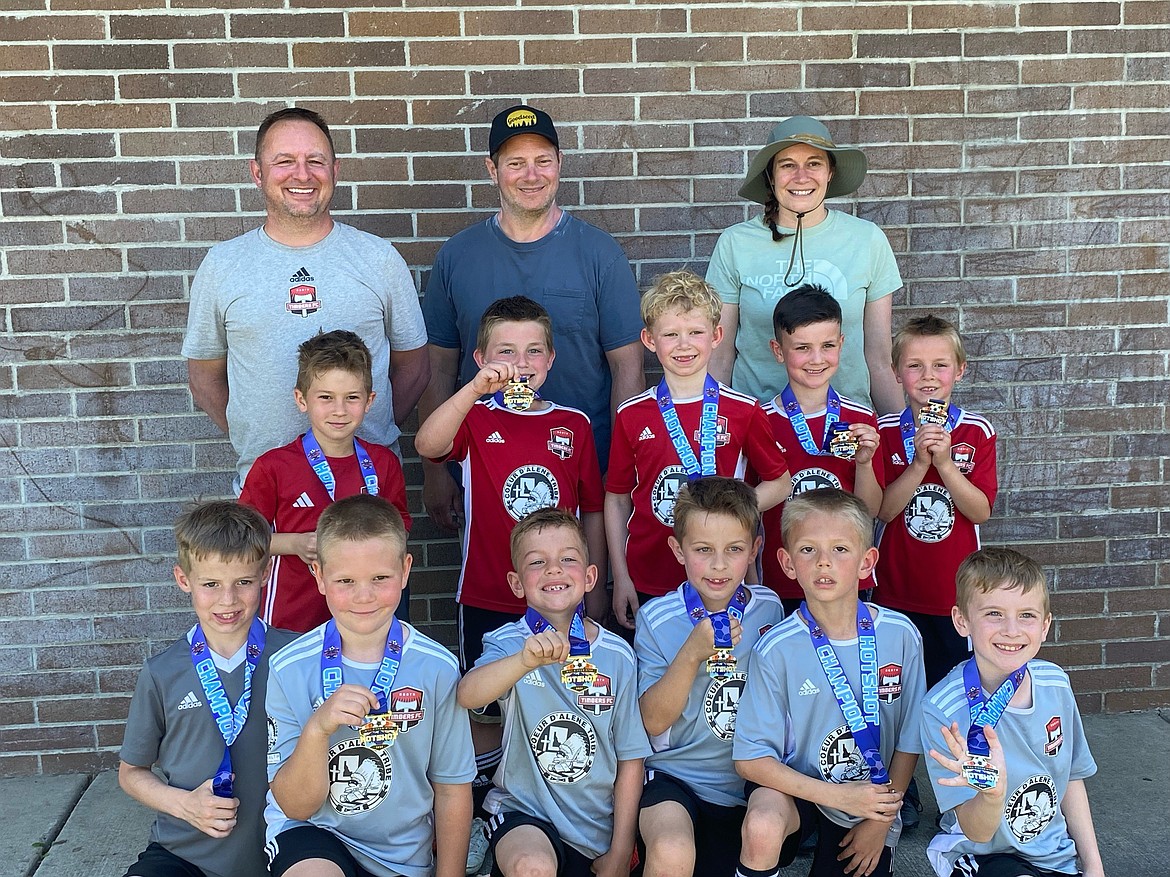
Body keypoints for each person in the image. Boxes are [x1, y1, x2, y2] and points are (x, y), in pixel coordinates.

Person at [414, 296, 606, 825]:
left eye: (533, 352)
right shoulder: (475, 416)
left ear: (550, 360)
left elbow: (591, 510)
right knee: (482, 707)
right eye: (505, 353)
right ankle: (481, 814)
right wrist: (475, 391)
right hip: (486, 592)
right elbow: (428, 444)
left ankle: (546, 800)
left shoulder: (573, 423)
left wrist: (600, 586)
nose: (520, 364)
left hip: (559, 598)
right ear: (480, 359)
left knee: (553, 700)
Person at [420, 103, 644, 531]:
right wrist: (434, 471)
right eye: (516, 163)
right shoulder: (457, 256)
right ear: (492, 169)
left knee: (578, 588)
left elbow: (628, 369)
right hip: (483, 474)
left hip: (581, 471)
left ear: (560, 163)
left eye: (543, 161)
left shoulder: (598, 254)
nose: (532, 175)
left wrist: (618, 473)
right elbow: (438, 368)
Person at [183, 107, 429, 492]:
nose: (302, 174)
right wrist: (260, 441)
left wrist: (369, 426)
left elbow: (414, 367)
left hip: (368, 490)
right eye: (284, 161)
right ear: (257, 172)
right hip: (269, 494)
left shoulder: (378, 258)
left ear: (335, 170)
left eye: (315, 160)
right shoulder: (223, 265)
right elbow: (204, 378)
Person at [264, 495, 474, 877]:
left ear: (405, 570)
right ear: (319, 576)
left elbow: (452, 788)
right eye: (346, 580)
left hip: (403, 854)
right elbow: (295, 806)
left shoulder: (437, 667)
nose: (364, 596)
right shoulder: (288, 667)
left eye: (380, 578)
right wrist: (317, 728)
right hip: (316, 835)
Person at [733, 488, 926, 877]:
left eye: (840, 549)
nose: (824, 562)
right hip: (797, 791)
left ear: (866, 561)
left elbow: (910, 740)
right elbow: (750, 760)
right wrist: (837, 795)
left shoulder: (902, 635)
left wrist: (881, 822)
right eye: (808, 550)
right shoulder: (776, 647)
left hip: (868, 796)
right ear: (787, 563)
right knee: (762, 825)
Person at [457, 508, 650, 877]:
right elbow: (468, 695)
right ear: (516, 583)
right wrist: (523, 661)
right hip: (524, 816)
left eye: (567, 559)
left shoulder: (618, 655)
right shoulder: (507, 644)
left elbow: (631, 758)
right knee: (533, 867)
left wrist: (622, 849)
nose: (554, 569)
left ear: (591, 576)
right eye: (537, 562)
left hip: (597, 827)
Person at [118, 501, 298, 877]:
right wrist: (183, 805)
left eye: (243, 582)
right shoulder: (161, 672)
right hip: (185, 855)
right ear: (184, 580)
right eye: (211, 584)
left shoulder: (298, 657)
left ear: (265, 574)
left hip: (286, 850)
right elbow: (131, 771)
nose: (227, 600)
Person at [605, 270, 791, 628]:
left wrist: (730, 513)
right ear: (649, 339)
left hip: (724, 576)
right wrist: (621, 577)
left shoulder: (744, 409)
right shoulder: (631, 413)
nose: (683, 344)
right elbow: (616, 498)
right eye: (670, 335)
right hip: (649, 575)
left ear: (717, 336)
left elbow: (780, 483)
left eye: (695, 333)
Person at [920, 547, 1104, 877]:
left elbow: (1071, 776)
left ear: (1045, 626)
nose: (1011, 630)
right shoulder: (942, 709)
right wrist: (992, 795)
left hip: (1052, 849)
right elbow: (976, 831)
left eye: (1027, 615)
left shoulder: (1056, 683)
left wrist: (1093, 865)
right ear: (962, 621)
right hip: (981, 853)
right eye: (993, 613)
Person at [634, 477, 785, 877]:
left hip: (750, 784)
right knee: (670, 850)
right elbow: (651, 720)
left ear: (754, 550)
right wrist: (690, 654)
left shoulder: (771, 610)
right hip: (675, 779)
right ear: (678, 551)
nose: (719, 565)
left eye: (734, 550)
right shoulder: (657, 618)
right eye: (703, 550)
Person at [706, 115, 904, 416]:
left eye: (814, 163)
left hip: (847, 431)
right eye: (787, 165)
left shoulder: (867, 240)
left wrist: (898, 437)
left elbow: (877, 356)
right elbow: (720, 356)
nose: (801, 176)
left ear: (830, 173)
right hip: (760, 430)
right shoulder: (735, 243)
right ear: (771, 176)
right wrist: (715, 434)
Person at [240, 330, 411, 632]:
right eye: (326, 398)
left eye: (352, 398)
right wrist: (294, 543)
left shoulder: (383, 463)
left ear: (370, 401)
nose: (340, 410)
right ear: (301, 399)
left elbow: (400, 529)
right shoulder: (274, 466)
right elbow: (241, 540)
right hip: (291, 620)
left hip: (364, 617)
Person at [875, 315, 997, 688]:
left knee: (952, 686)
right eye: (914, 366)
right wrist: (919, 464)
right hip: (895, 589)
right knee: (897, 688)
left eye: (940, 365)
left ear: (959, 370)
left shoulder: (976, 431)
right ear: (897, 373)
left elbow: (980, 512)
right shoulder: (885, 431)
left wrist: (944, 464)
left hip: (955, 594)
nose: (928, 376)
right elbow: (884, 510)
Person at [757, 285, 883, 614]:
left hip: (848, 577)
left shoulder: (862, 419)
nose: (816, 359)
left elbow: (870, 510)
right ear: (778, 350)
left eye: (827, 345)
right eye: (802, 347)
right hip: (781, 577)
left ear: (841, 344)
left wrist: (866, 464)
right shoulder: (760, 420)